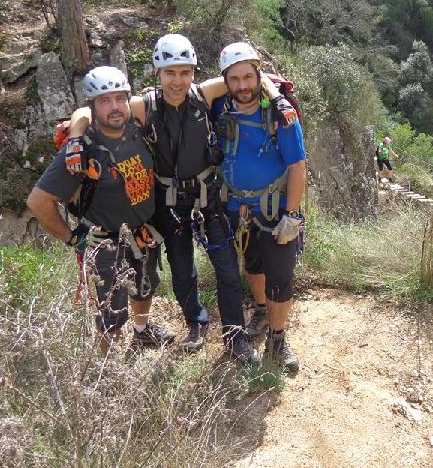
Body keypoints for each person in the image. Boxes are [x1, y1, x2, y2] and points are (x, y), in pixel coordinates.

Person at [65, 35, 275, 364]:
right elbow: (86, 110)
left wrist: (280, 99)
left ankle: (234, 337)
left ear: (193, 73)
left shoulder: (203, 95)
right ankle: (196, 323)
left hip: (207, 198)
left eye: (184, 72)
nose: (178, 81)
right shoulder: (144, 106)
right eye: (169, 73)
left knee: (228, 271)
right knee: (182, 271)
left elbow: (250, 77)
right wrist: (76, 136)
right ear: (157, 74)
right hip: (168, 203)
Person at [27, 66, 173, 355]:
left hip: (143, 233)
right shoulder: (82, 149)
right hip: (105, 243)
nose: (115, 107)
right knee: (112, 311)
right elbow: (38, 202)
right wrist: (73, 239)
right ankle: (109, 372)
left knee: (145, 285)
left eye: (120, 99)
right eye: (105, 101)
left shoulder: (137, 129)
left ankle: (143, 331)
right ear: (92, 106)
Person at [213, 41, 307, 373]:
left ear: (258, 75)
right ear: (225, 81)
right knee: (253, 267)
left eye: (248, 77)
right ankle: (262, 310)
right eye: (234, 79)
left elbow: (297, 167)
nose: (242, 86)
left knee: (280, 277)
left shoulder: (281, 115)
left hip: (277, 209)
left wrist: (293, 216)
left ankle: (278, 341)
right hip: (238, 210)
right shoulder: (219, 109)